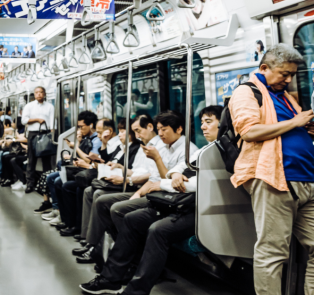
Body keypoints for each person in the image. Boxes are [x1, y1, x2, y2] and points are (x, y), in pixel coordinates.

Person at [79, 105, 223, 295]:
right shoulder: (203, 150)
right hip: (176, 200)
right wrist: (175, 175)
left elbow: (196, 184)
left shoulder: (221, 152)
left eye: (209, 122)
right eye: (202, 122)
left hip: (198, 207)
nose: (203, 127)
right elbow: (178, 169)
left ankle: (135, 289)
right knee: (131, 219)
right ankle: (111, 277)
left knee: (157, 229)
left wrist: (164, 182)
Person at [228, 43, 314, 295]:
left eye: (292, 75)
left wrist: (303, 128)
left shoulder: (285, 97)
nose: (287, 80)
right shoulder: (246, 92)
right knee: (273, 250)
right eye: (283, 74)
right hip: (275, 180)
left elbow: (287, 128)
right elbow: (250, 131)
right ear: (264, 68)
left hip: (306, 179)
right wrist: (294, 122)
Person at [75, 114, 166, 255]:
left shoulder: (156, 147)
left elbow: (153, 176)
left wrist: (127, 179)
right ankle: (93, 243)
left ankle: (110, 248)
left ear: (149, 127)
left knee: (100, 197)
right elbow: (136, 170)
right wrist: (121, 169)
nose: (137, 135)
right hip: (136, 184)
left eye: (137, 131)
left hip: (142, 187)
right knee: (91, 191)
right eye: (134, 131)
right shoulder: (144, 146)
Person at [58, 118, 142, 238]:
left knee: (89, 191)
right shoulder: (120, 147)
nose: (120, 135)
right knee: (74, 186)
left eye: (123, 132)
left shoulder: (133, 148)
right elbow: (108, 160)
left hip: (121, 181)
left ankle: (89, 236)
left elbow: (127, 168)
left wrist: (91, 163)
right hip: (107, 175)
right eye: (120, 131)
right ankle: (82, 230)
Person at [35, 111, 101, 219]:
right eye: (78, 127)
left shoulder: (97, 140)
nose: (79, 130)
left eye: (81, 127)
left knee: (56, 180)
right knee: (50, 177)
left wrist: (76, 147)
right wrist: (77, 144)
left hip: (86, 171)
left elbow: (89, 160)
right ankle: (58, 210)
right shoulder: (85, 138)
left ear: (91, 125)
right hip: (78, 168)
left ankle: (61, 212)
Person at [21, 86, 54, 194]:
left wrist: (52, 135)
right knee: (31, 159)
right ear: (34, 94)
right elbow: (24, 120)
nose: (39, 94)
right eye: (36, 92)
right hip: (33, 134)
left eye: (41, 92)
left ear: (44, 94)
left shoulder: (50, 106)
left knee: (46, 160)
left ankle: (47, 184)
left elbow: (52, 122)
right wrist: (37, 120)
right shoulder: (29, 106)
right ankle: (30, 184)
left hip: (45, 133)